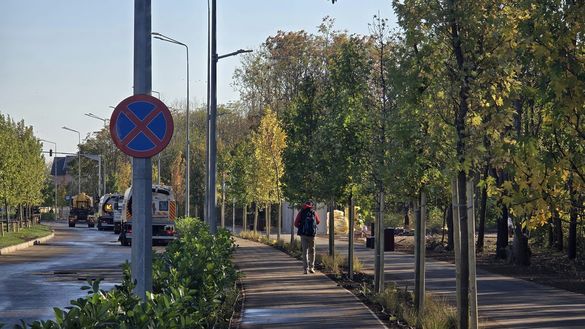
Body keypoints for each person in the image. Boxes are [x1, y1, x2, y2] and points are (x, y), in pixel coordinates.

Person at [294, 201, 320, 274]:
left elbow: (295, 223)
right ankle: (312, 268)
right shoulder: (313, 212)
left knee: (305, 252)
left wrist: (301, 227)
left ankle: (305, 269)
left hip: (304, 235)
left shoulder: (301, 212)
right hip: (312, 235)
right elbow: (318, 221)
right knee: (312, 251)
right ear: (311, 205)